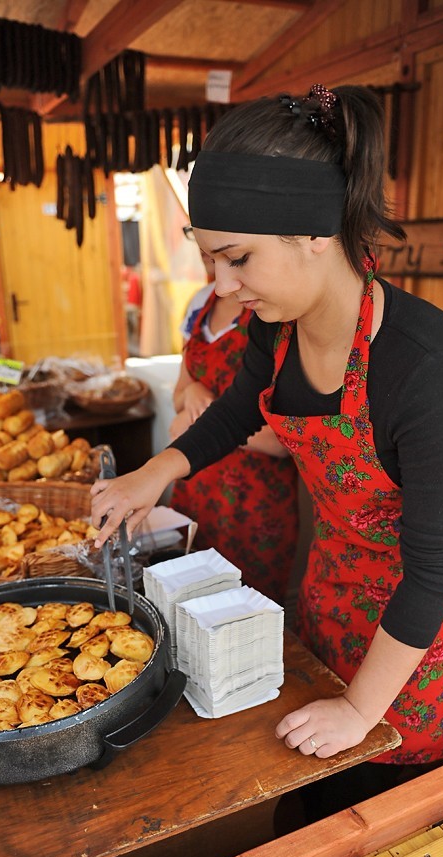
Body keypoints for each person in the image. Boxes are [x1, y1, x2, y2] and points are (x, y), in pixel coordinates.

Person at [91, 85, 443, 823]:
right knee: (302, 795)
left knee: (379, 826)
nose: (224, 288)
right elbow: (238, 413)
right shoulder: (277, 331)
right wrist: (155, 473)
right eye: (211, 261)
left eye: (237, 259)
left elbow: (436, 569)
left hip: (414, 640)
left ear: (313, 228)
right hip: (329, 595)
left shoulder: (430, 366)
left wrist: (361, 709)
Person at [168, 241, 299, 603]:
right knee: (191, 605)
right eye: (196, 238)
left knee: (248, 614)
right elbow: (178, 395)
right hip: (196, 489)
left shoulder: (275, 311)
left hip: (255, 503)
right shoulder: (199, 304)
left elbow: (283, 440)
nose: (207, 254)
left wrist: (202, 424)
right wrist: (192, 390)